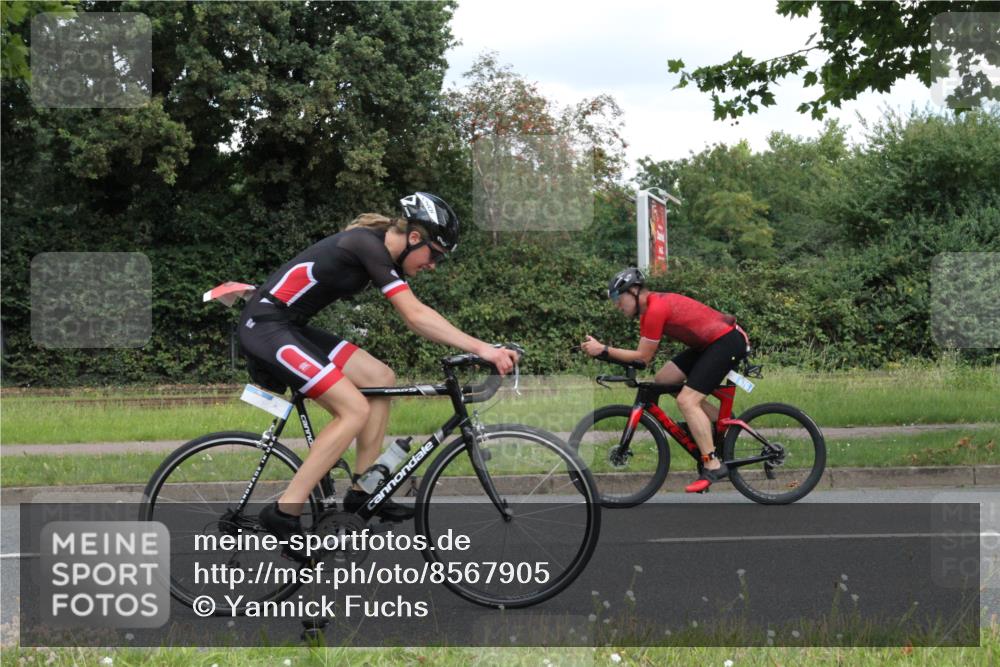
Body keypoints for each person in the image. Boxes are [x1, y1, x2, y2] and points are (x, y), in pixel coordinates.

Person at [239, 192, 517, 555]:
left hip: (290, 326)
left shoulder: (376, 248)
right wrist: (482, 349)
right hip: (265, 326)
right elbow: (414, 315)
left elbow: (420, 312)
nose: (433, 265)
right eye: (434, 254)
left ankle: (362, 491)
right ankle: (284, 512)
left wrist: (482, 345)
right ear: (414, 237)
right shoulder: (364, 245)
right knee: (353, 409)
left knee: (379, 376)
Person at [581, 267, 750, 493]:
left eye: (617, 297)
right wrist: (605, 352)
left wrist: (603, 350)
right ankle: (721, 422)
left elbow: (642, 357)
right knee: (663, 380)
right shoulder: (647, 312)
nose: (616, 304)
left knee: (687, 402)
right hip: (709, 344)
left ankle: (712, 463)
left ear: (633, 291)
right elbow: (643, 362)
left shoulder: (655, 309)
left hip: (726, 341)